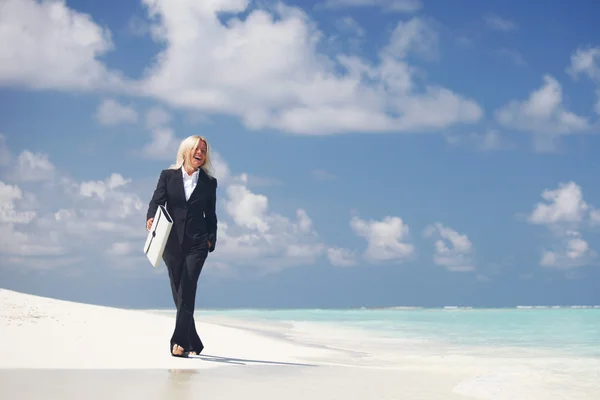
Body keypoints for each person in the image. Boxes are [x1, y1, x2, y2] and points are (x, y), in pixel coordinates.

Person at [146, 135, 218, 358]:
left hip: (197, 243)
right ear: (186, 151)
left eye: (204, 150)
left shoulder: (209, 182)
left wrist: (210, 240)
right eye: (197, 149)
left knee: (188, 287)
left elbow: (211, 215)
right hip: (171, 242)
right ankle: (193, 340)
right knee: (179, 292)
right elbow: (156, 201)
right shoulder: (168, 176)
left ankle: (179, 342)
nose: (200, 153)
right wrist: (150, 218)